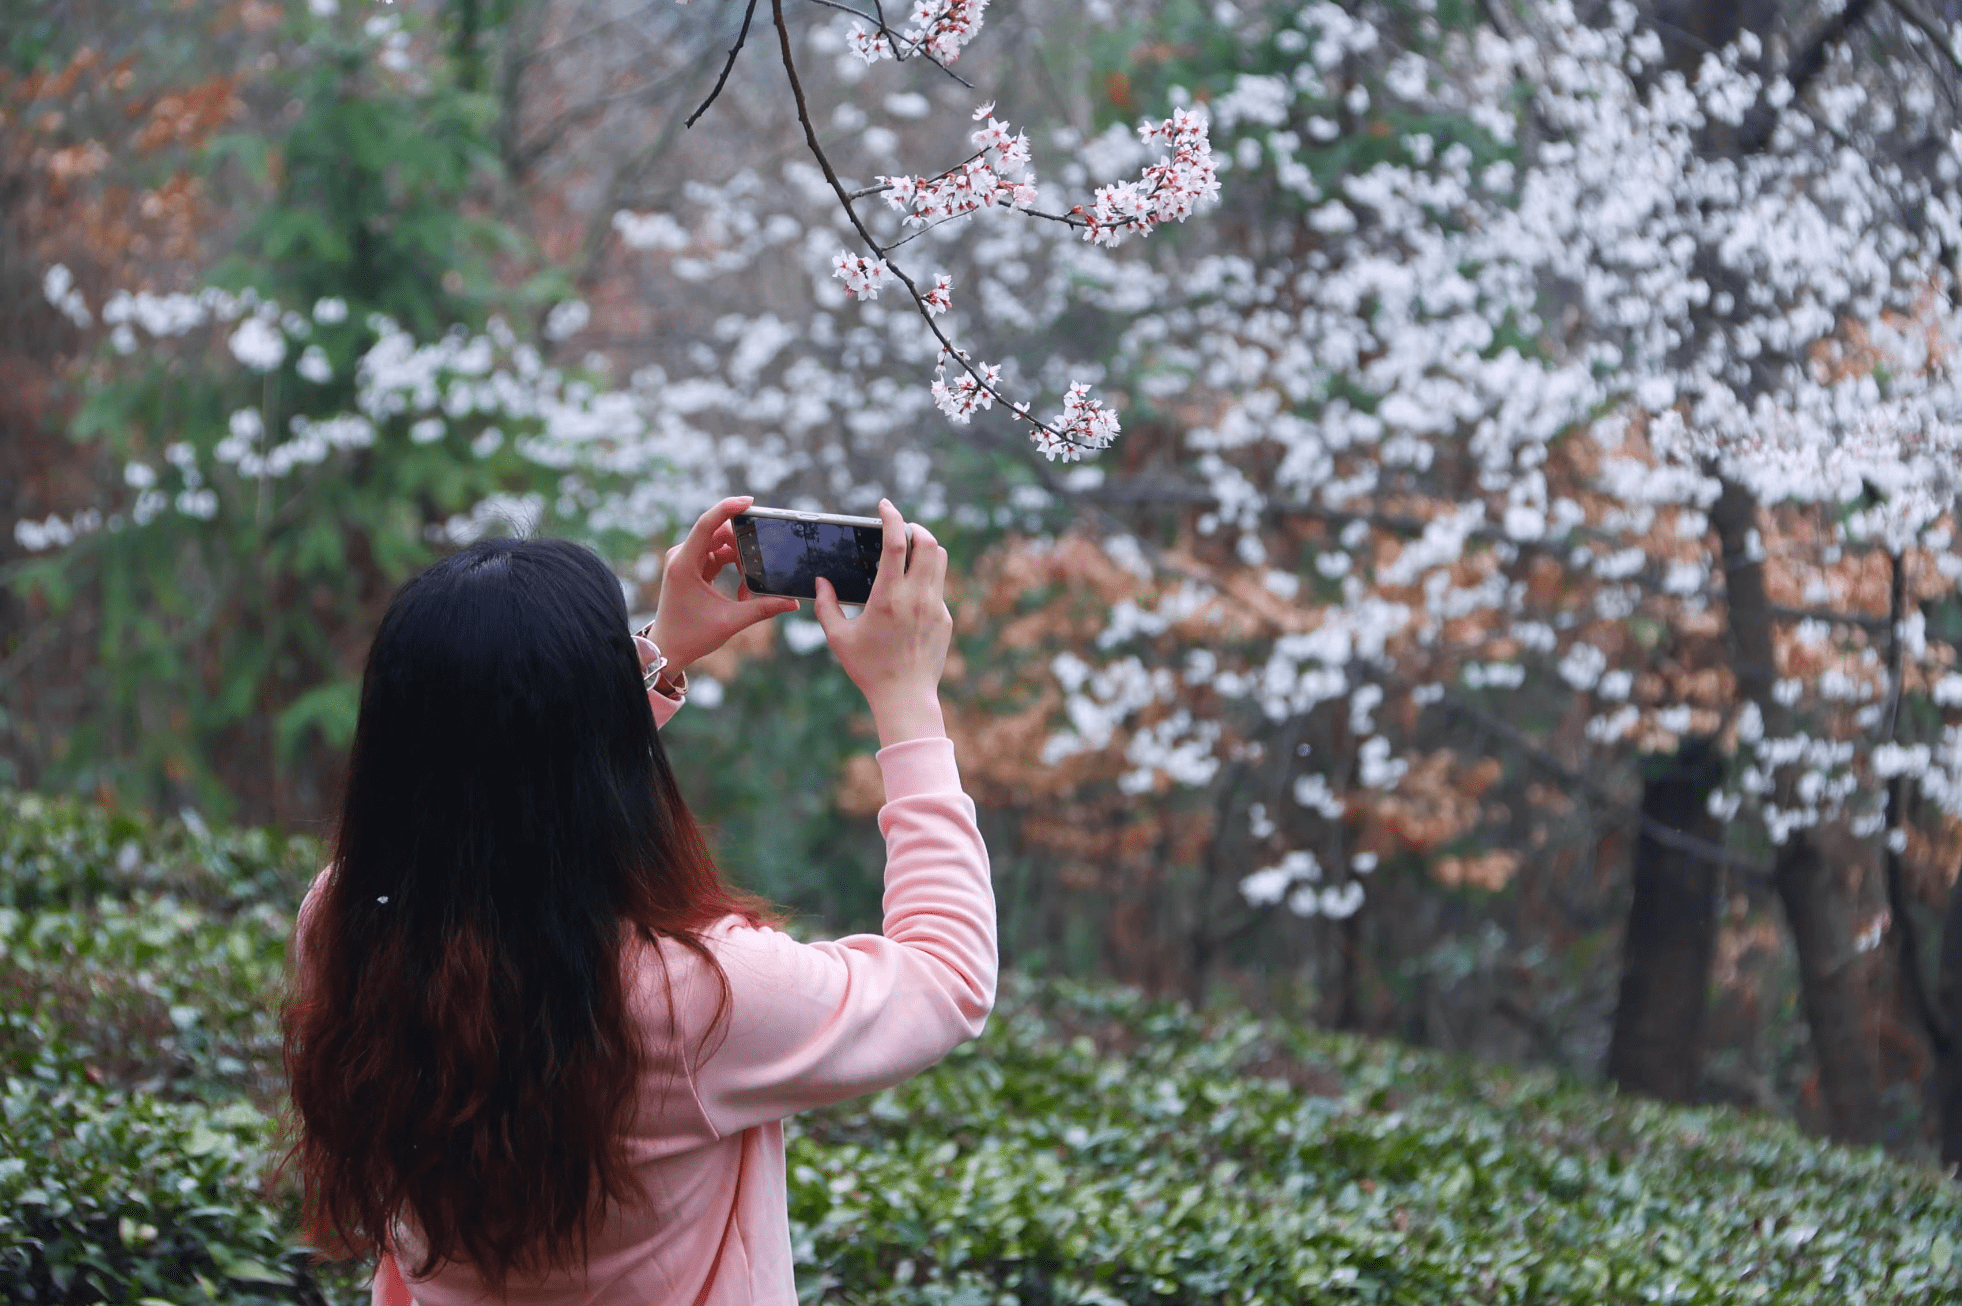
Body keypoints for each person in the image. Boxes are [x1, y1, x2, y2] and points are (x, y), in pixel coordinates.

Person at [282, 496, 995, 1306]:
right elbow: (945, 979)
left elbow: (498, 800)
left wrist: (660, 655)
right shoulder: (699, 993)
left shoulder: (346, 920)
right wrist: (906, 700)